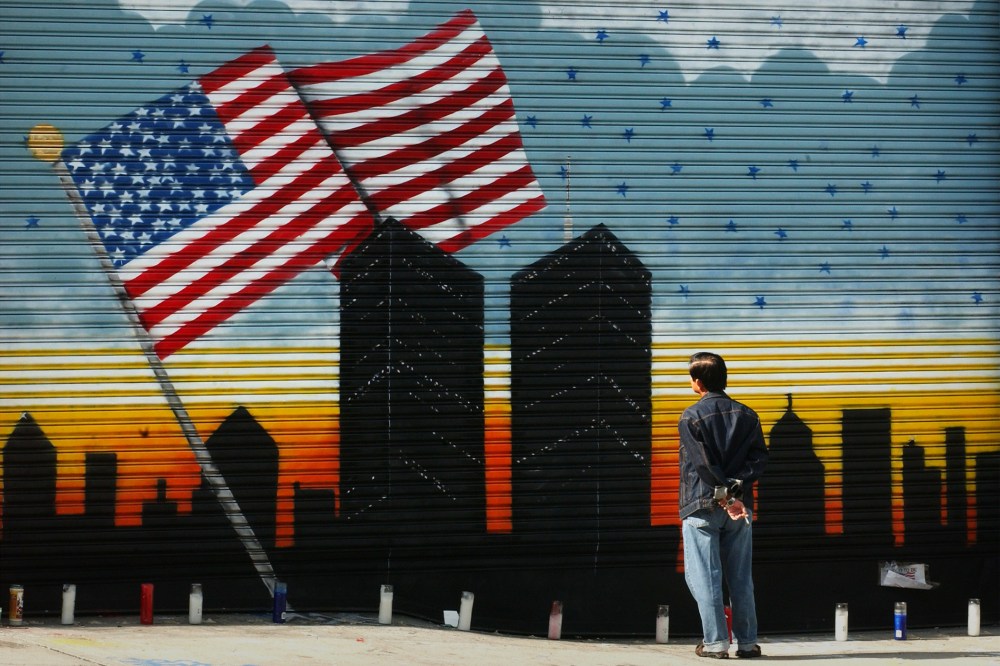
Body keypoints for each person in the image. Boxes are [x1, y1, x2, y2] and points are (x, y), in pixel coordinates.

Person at [678, 352, 768, 659]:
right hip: (739, 511)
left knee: (705, 576)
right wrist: (736, 493)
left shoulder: (691, 417)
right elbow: (758, 461)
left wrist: (726, 498)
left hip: (702, 507)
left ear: (698, 382)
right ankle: (747, 643)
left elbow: (703, 465)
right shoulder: (748, 415)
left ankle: (715, 644)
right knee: (741, 576)